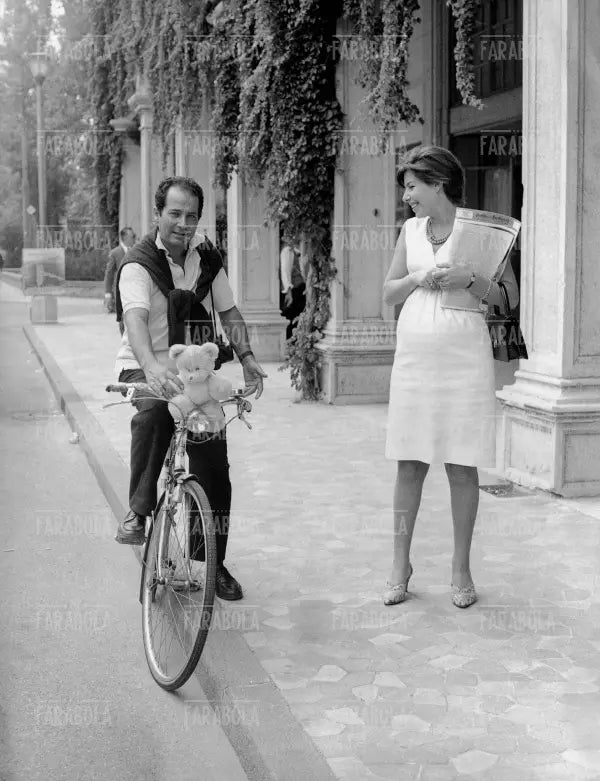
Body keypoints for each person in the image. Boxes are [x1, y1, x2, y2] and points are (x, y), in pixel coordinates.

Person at [113, 176, 267, 601]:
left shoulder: (207, 259)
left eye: (192, 216)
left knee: (214, 463)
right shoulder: (139, 264)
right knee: (154, 415)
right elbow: (136, 320)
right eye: (175, 213)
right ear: (158, 213)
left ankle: (212, 560)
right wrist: (149, 367)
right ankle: (138, 511)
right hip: (145, 369)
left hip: (196, 375)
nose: (183, 223)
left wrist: (248, 357)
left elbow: (229, 310)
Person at [382, 145, 518, 609]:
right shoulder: (410, 230)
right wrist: (417, 279)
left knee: (462, 464)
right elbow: (388, 292)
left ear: (437, 183)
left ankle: (461, 567)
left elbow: (507, 298)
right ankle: (400, 564)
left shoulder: (482, 230)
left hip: (464, 359)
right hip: (415, 360)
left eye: (413, 186)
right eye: (406, 188)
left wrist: (469, 279)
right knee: (409, 462)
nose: (407, 197)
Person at [104, 227, 135, 316]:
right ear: (125, 238)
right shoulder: (115, 253)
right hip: (121, 293)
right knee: (122, 319)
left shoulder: (136, 251)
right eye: (133, 236)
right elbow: (109, 274)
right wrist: (108, 294)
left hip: (135, 292)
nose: (134, 239)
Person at [280, 238, 306, 340]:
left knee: (296, 316)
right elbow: (285, 271)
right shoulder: (287, 250)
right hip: (294, 289)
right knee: (292, 316)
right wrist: (288, 291)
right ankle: (290, 341)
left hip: (299, 287)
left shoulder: (294, 250)